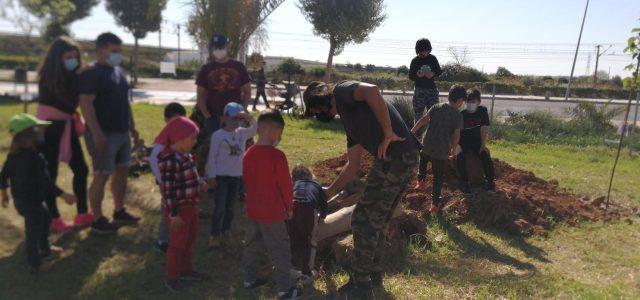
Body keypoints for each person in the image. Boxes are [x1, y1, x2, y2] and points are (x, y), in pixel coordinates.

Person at [303, 80, 421, 298]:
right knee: (380, 218)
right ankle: (373, 274)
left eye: (316, 108)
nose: (318, 113)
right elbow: (353, 165)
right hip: (398, 158)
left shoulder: (341, 90)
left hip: (396, 157)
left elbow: (373, 91)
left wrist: (387, 133)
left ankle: (361, 285)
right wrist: (329, 191)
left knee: (362, 220)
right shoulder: (349, 123)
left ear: (320, 97)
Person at [79, 32, 140, 235]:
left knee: (121, 171)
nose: (117, 55)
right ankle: (97, 219)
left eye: (119, 51)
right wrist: (97, 134)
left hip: (121, 132)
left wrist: (132, 127)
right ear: (100, 50)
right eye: (114, 51)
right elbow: (86, 105)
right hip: (104, 134)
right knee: (102, 174)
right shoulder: (91, 73)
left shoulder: (118, 72)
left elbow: (124, 103)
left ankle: (119, 210)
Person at [0, 114, 77, 272]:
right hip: (31, 203)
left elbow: (3, 176)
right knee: (32, 233)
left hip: (22, 202)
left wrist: (4, 195)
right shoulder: (36, 158)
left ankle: (45, 247)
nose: (42, 135)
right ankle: (35, 264)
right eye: (38, 132)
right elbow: (46, 182)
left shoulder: (13, 156)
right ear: (27, 138)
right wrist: (64, 195)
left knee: (46, 218)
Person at [241, 110, 302, 300]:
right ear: (270, 129)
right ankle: (284, 290)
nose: (280, 137)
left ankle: (249, 279)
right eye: (280, 132)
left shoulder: (248, 153)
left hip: (253, 209)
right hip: (273, 212)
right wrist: (289, 207)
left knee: (253, 244)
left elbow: (247, 182)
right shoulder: (277, 156)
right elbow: (285, 185)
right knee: (281, 249)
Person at [36, 36, 91, 233]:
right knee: (50, 172)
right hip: (49, 127)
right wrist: (81, 79)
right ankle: (53, 218)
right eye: (69, 57)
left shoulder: (71, 76)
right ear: (57, 58)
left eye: (76, 57)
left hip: (65, 125)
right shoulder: (49, 77)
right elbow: (68, 103)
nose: (74, 61)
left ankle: (82, 213)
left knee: (81, 169)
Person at [157, 116, 209, 292]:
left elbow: (192, 176)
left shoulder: (185, 155)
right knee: (177, 244)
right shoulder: (169, 160)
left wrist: (200, 182)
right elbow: (168, 191)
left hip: (191, 205)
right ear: (179, 139)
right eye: (192, 138)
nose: (195, 141)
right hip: (179, 210)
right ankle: (172, 278)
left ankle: (186, 269)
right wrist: (173, 215)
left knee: (189, 240)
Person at [206, 102, 257, 248]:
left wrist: (248, 116)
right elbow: (212, 157)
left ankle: (226, 230)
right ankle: (214, 235)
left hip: (236, 177)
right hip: (221, 177)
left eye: (239, 118)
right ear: (225, 117)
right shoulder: (218, 135)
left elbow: (256, 128)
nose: (237, 121)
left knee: (230, 207)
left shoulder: (241, 133)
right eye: (234, 118)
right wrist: (212, 176)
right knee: (220, 207)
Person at [411, 84, 466, 214]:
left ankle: (420, 181)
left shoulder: (436, 106)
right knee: (438, 178)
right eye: (462, 101)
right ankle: (434, 205)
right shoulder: (458, 116)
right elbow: (456, 136)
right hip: (441, 151)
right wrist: (453, 151)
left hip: (427, 145)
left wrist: (412, 131)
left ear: (448, 96)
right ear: (459, 101)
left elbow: (424, 119)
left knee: (423, 160)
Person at [149, 102, 188, 253]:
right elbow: (153, 159)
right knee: (168, 210)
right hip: (167, 181)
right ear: (166, 120)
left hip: (177, 179)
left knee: (177, 208)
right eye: (174, 121)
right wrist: (161, 180)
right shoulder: (163, 137)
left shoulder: (181, 136)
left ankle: (174, 237)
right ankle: (162, 241)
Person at [196, 34, 252, 135]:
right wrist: (208, 117)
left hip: (235, 118)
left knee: (236, 148)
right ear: (211, 49)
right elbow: (200, 96)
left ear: (228, 46)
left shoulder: (239, 67)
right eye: (215, 47)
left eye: (221, 47)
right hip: (214, 117)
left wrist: (242, 112)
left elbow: (247, 92)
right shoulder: (206, 69)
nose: (218, 50)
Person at [288, 165, 327, 284]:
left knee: (293, 238)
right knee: (308, 241)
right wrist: (323, 216)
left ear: (293, 178)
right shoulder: (316, 185)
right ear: (311, 176)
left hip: (292, 207)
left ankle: (292, 268)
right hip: (307, 209)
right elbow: (324, 204)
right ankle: (307, 273)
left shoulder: (294, 185)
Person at [457, 88, 496, 194]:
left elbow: (484, 128)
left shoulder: (482, 111)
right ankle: (465, 183)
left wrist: (483, 144)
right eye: (468, 102)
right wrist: (457, 146)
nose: (470, 104)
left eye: (473, 102)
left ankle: (490, 183)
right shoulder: (462, 114)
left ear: (479, 102)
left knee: (485, 155)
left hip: (477, 140)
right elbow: (458, 132)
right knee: (460, 157)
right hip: (464, 141)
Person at [409, 38, 442, 123]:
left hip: (432, 90)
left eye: (426, 50)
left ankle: (432, 135)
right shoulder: (415, 61)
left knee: (435, 115)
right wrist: (418, 75)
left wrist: (433, 73)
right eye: (421, 51)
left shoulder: (433, 58)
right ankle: (416, 135)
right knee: (418, 115)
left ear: (429, 50)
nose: (424, 53)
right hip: (419, 90)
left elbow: (439, 71)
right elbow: (411, 76)